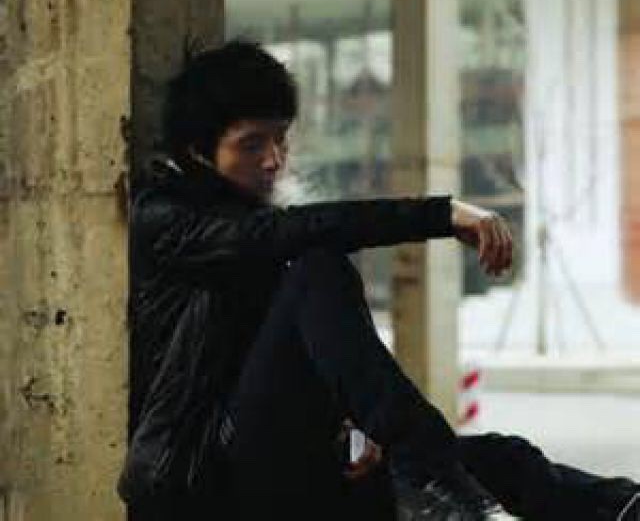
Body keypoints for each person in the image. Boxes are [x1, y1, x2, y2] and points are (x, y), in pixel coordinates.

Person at [118, 40, 639, 521]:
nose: (273, 160)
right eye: (251, 145)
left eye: (280, 140)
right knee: (319, 266)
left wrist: (352, 426)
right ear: (198, 152)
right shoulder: (165, 219)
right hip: (206, 485)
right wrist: (442, 215)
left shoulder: (257, 229)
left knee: (505, 461)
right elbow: (295, 233)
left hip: (288, 467)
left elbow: (295, 362)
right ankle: (433, 479)